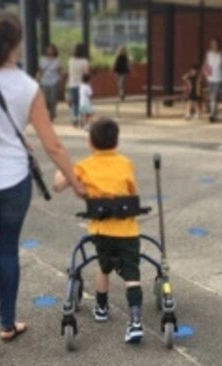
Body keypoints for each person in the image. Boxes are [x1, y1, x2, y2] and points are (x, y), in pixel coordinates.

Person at [0, 12, 85, 355]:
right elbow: (52, 144)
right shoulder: (29, 87)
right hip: (14, 180)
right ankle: (8, 324)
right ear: (18, 44)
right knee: (7, 248)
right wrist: (74, 181)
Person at [53, 118, 145, 344]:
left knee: (103, 267)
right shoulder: (125, 163)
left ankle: (102, 308)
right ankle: (135, 321)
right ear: (116, 141)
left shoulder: (85, 166)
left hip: (102, 231)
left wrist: (66, 169)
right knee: (132, 275)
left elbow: (57, 185)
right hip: (128, 230)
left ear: (90, 142)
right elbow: (133, 192)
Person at [37, 43, 62, 122]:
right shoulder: (42, 59)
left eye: (51, 49)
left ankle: (52, 114)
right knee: (45, 99)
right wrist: (37, 78)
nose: (49, 50)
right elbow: (40, 70)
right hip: (44, 81)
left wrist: (61, 79)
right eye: (48, 49)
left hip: (54, 81)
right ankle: (48, 112)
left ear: (54, 51)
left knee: (53, 99)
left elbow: (59, 70)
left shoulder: (57, 60)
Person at [203, 37, 222, 123]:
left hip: (219, 79)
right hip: (210, 78)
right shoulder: (208, 54)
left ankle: (212, 115)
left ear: (218, 45)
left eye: (215, 44)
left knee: (214, 97)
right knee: (212, 97)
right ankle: (214, 113)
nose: (213, 45)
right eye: (212, 44)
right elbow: (205, 65)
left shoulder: (221, 54)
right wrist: (204, 74)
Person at [67, 43, 90, 126]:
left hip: (72, 84)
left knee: (74, 103)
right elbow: (86, 73)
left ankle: (74, 118)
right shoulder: (84, 61)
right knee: (82, 102)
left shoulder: (71, 60)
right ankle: (81, 119)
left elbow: (70, 73)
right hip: (82, 84)